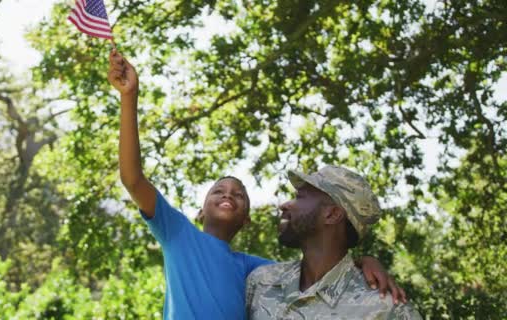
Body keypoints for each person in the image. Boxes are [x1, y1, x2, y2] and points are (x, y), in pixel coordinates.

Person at [107, 50, 405, 320]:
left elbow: (320, 270)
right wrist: (129, 97)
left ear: (247, 220)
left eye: (239, 195)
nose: (228, 195)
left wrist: (364, 262)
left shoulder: (256, 273)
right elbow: (132, 179)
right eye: (219, 191)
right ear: (199, 212)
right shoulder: (179, 234)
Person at [246, 166, 423, 319]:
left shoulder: (385, 308)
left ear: (332, 215)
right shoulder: (262, 282)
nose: (284, 205)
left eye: (300, 197)